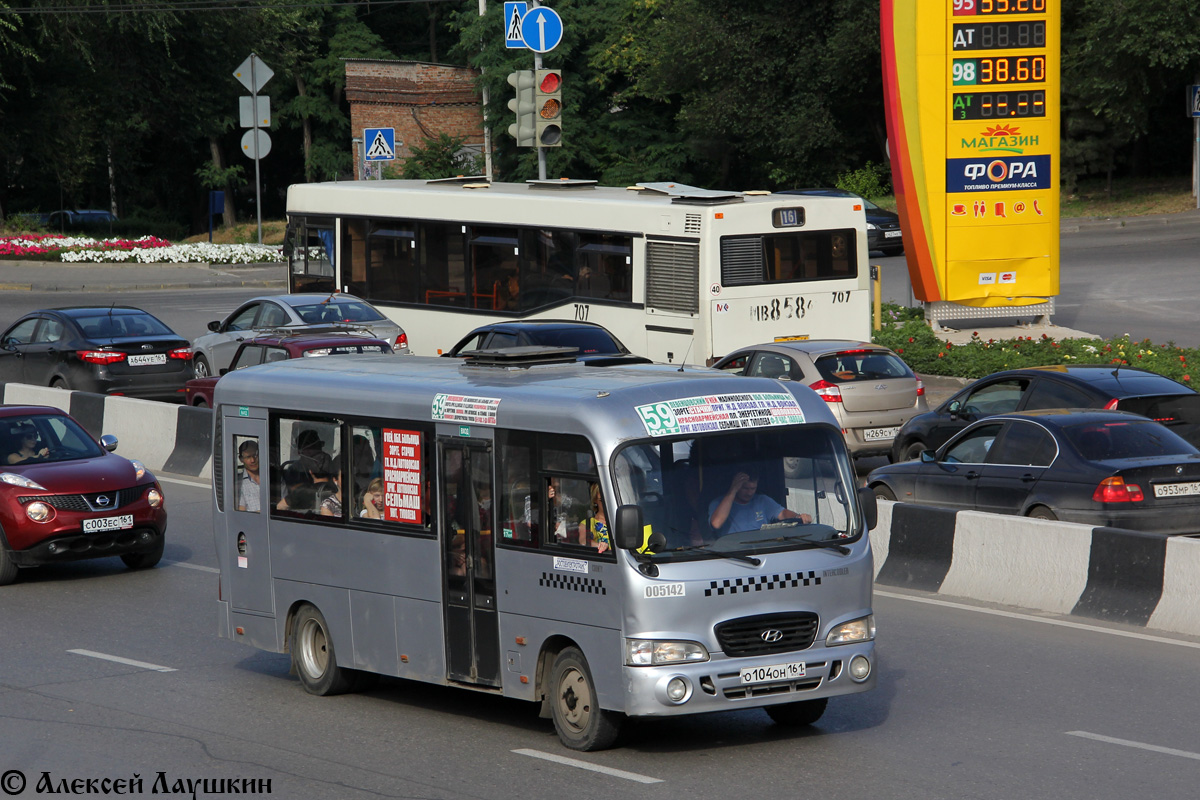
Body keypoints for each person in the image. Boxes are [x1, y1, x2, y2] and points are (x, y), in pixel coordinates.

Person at [708, 471, 811, 535]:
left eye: (753, 488)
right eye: (745, 488)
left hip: (762, 549)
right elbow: (716, 523)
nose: (749, 493)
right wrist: (732, 491)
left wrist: (798, 516)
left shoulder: (762, 501)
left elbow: (782, 513)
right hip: (735, 553)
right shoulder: (718, 503)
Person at [577, 482, 610, 554]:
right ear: (595, 500)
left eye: (609, 499)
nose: (606, 503)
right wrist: (600, 545)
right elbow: (583, 541)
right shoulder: (587, 523)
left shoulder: (622, 520)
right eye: (602, 500)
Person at [236, 440, 261, 512]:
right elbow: (241, 510)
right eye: (248, 457)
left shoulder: (274, 477)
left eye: (255, 455)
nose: (252, 460)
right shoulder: (239, 483)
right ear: (241, 459)